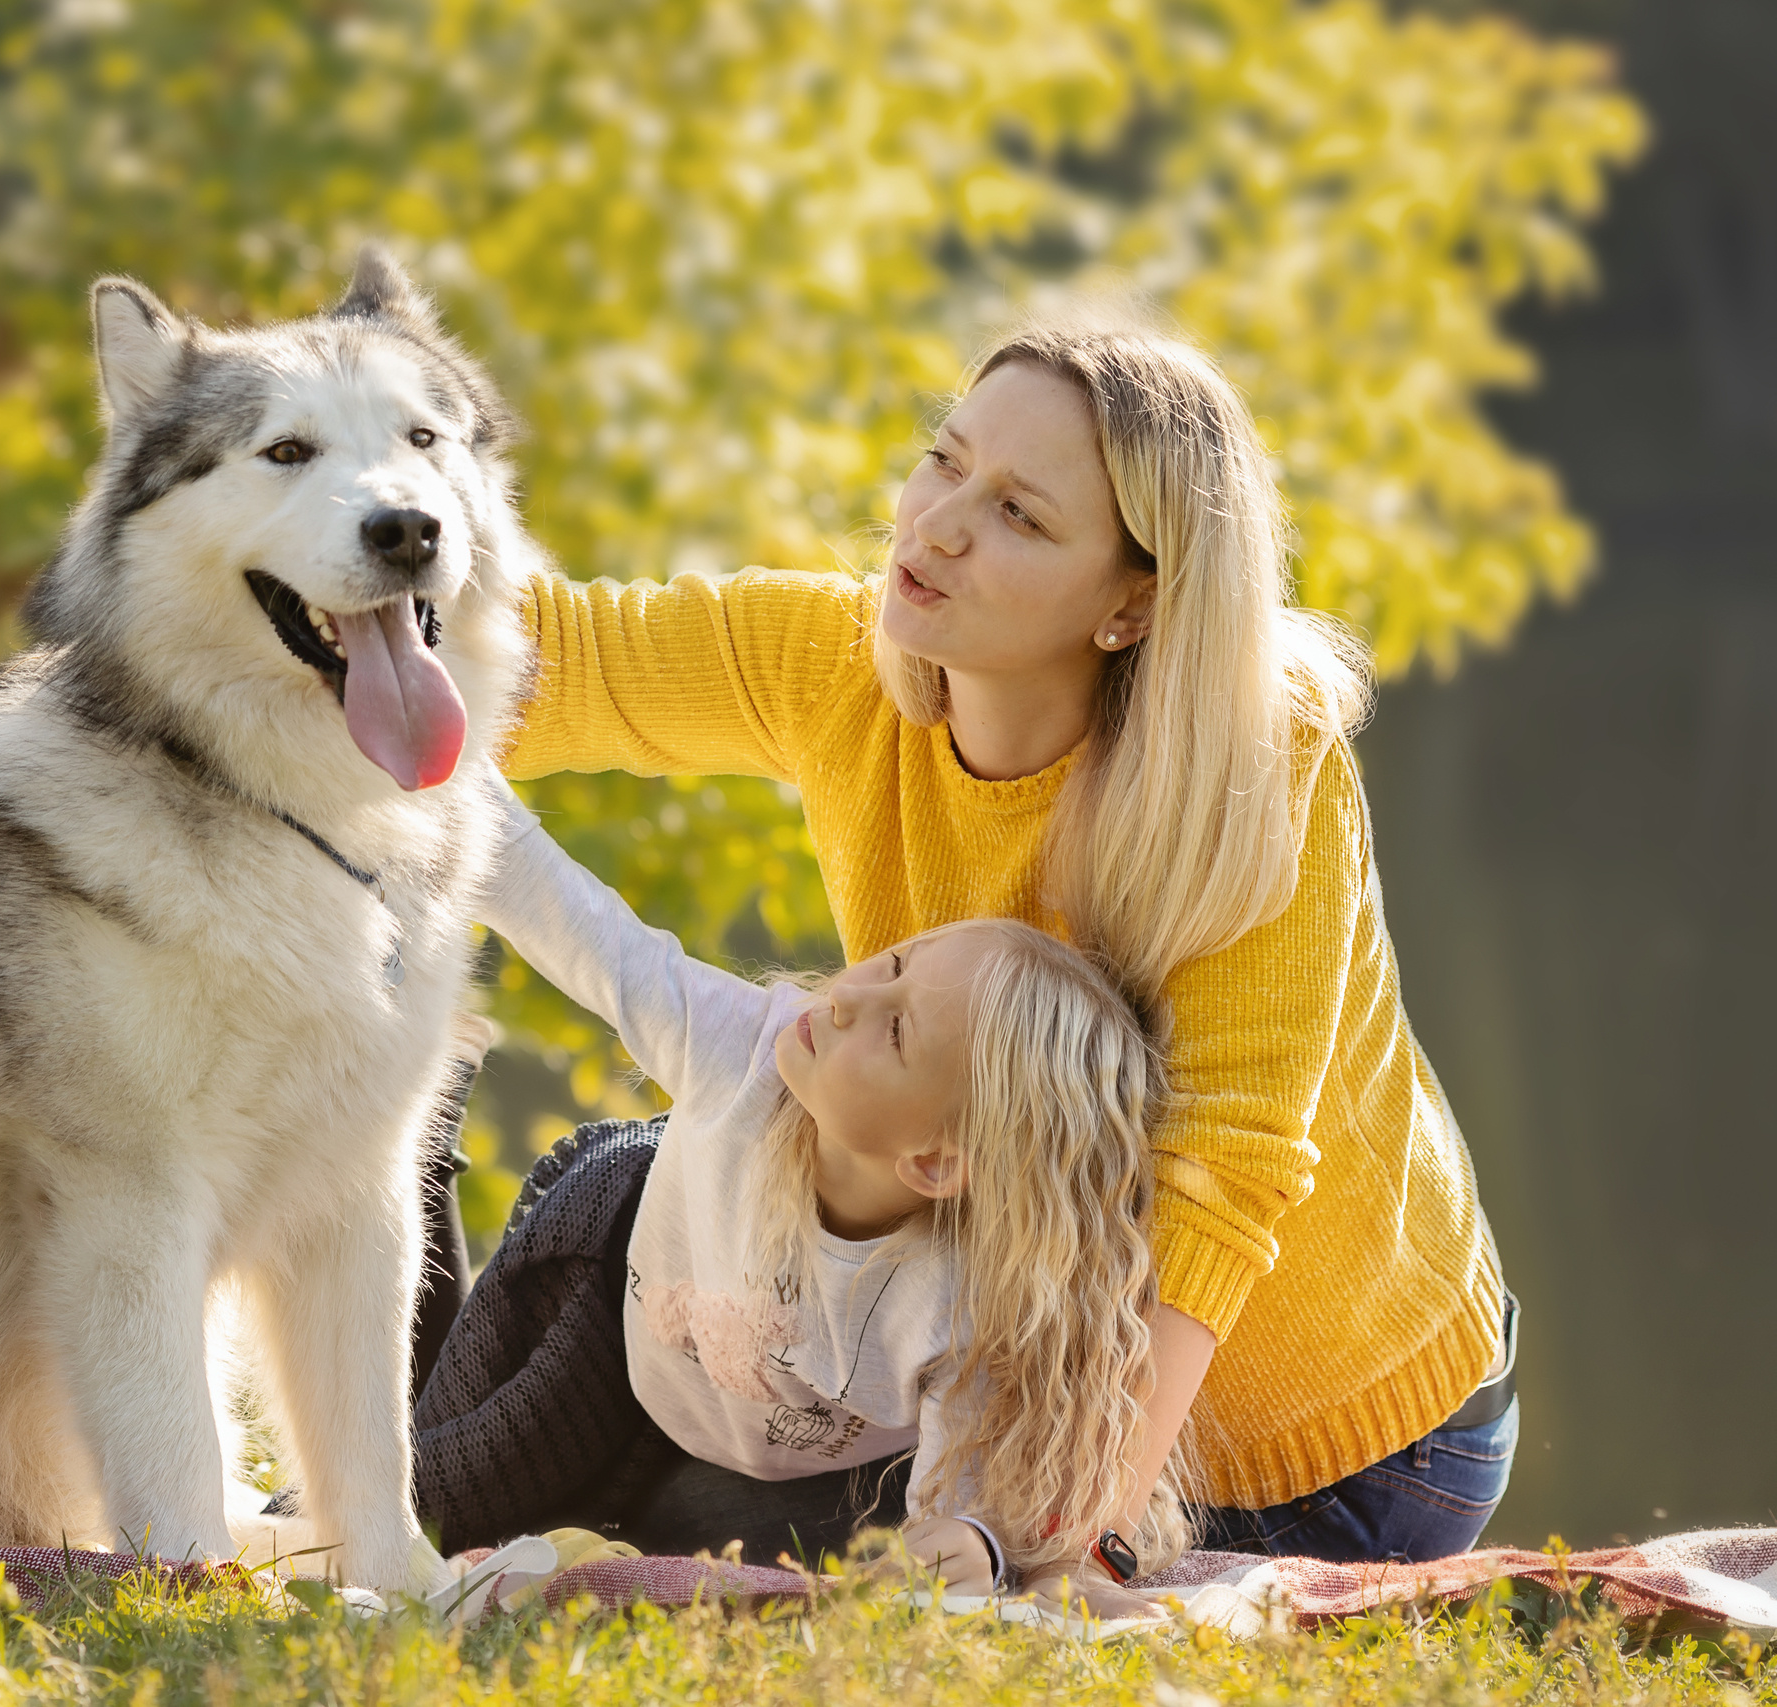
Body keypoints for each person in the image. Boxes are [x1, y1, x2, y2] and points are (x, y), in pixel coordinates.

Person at [479, 306, 1517, 1571]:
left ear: (1132, 602)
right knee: (636, 1198)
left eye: (1019, 514)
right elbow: (539, 661)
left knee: (742, 1549)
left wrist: (1066, 1536)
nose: (935, 526)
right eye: (944, 460)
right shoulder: (838, 668)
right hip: (988, 1359)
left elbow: (1218, 1183)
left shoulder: (1255, 768)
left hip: (1321, 1443)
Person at [425, 790, 1184, 1595]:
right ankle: (423, 1141)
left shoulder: (964, 1303)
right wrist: (447, 772)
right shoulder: (742, 1046)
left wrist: (981, 1546)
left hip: (750, 1441)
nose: (849, 996)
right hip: (604, 1305)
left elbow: (953, 1526)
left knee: (729, 1558)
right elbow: (584, 930)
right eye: (895, 964)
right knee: (441, 1501)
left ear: (934, 1162)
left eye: (896, 1030)